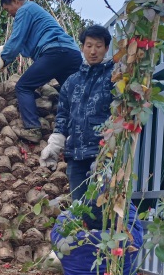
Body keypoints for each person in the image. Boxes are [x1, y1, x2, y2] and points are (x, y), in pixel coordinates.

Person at [0, 0, 82, 143]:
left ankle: (33, 129)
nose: (10, 14)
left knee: (23, 87)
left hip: (55, 52)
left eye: (7, 9)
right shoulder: (34, 13)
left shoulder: (24, 10)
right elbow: (13, 45)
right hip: (71, 54)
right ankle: (81, 130)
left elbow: (13, 46)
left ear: (14, 1)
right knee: (74, 95)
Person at [40, 25, 114, 201]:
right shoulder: (72, 82)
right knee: (80, 210)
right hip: (75, 156)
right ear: (82, 47)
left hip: (102, 155)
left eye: (98, 46)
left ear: (106, 48)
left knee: (100, 211)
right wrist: (55, 144)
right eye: (89, 46)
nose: (93, 51)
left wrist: (112, 152)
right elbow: (63, 115)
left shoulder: (115, 78)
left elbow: (122, 115)